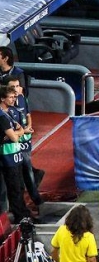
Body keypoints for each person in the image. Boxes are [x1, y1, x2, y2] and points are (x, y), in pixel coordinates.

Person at [6, 76, 43, 211]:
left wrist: (28, 129)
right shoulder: (5, 108)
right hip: (13, 145)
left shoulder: (22, 98)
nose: (16, 90)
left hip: (24, 141)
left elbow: (28, 115)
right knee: (18, 175)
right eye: (13, 87)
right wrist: (22, 131)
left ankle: (35, 199)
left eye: (17, 86)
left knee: (27, 169)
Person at [0, 85, 29, 222]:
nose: (13, 99)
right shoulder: (2, 117)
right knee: (14, 189)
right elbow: (15, 137)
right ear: (2, 99)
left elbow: (20, 130)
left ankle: (24, 214)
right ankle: (19, 218)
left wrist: (17, 132)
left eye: (14, 96)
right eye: (10, 97)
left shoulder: (10, 112)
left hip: (16, 156)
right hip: (7, 158)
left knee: (20, 186)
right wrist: (17, 133)